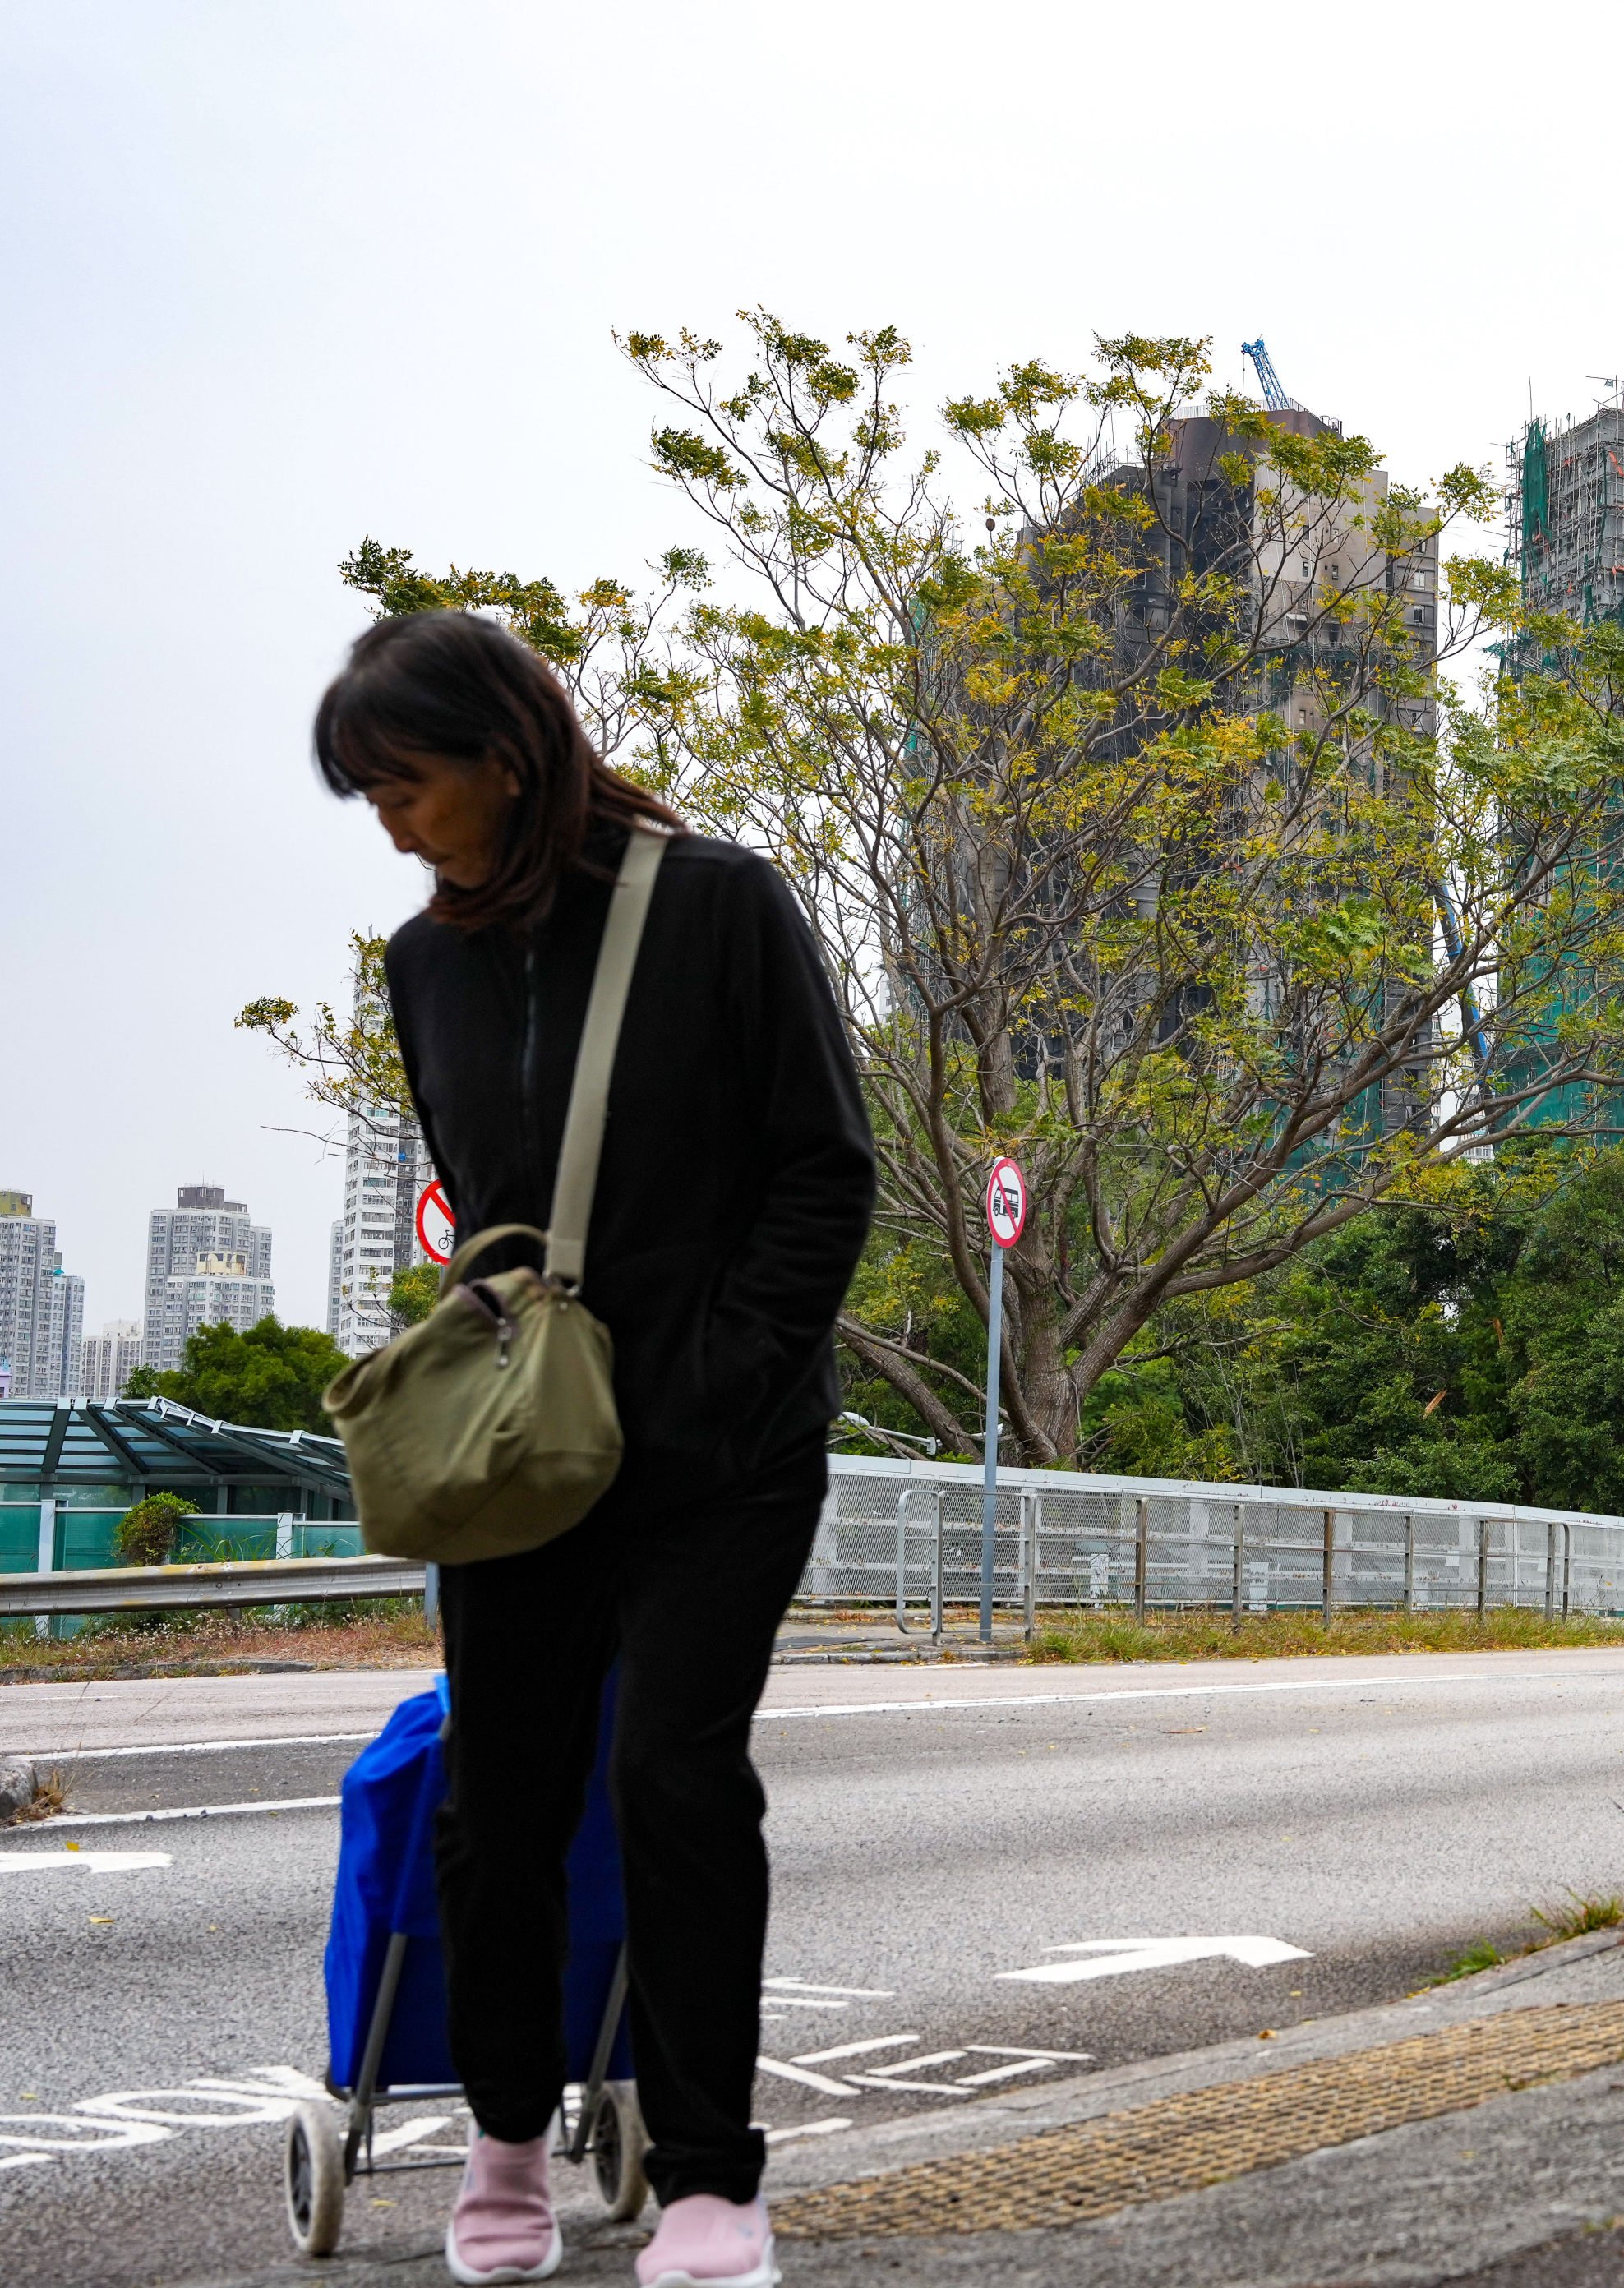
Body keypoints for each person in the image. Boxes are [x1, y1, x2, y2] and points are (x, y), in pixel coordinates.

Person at [314, 611, 874, 2288]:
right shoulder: (425, 964)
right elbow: (481, 1216)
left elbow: (822, 1172)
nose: (389, 823)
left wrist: (707, 1384)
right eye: (367, 800)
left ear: (503, 753)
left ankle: (713, 2178)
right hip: (526, 1455)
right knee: (502, 1797)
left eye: (402, 784)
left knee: (675, 1783)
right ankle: (502, 2147)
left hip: (724, 1450)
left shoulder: (720, 904)